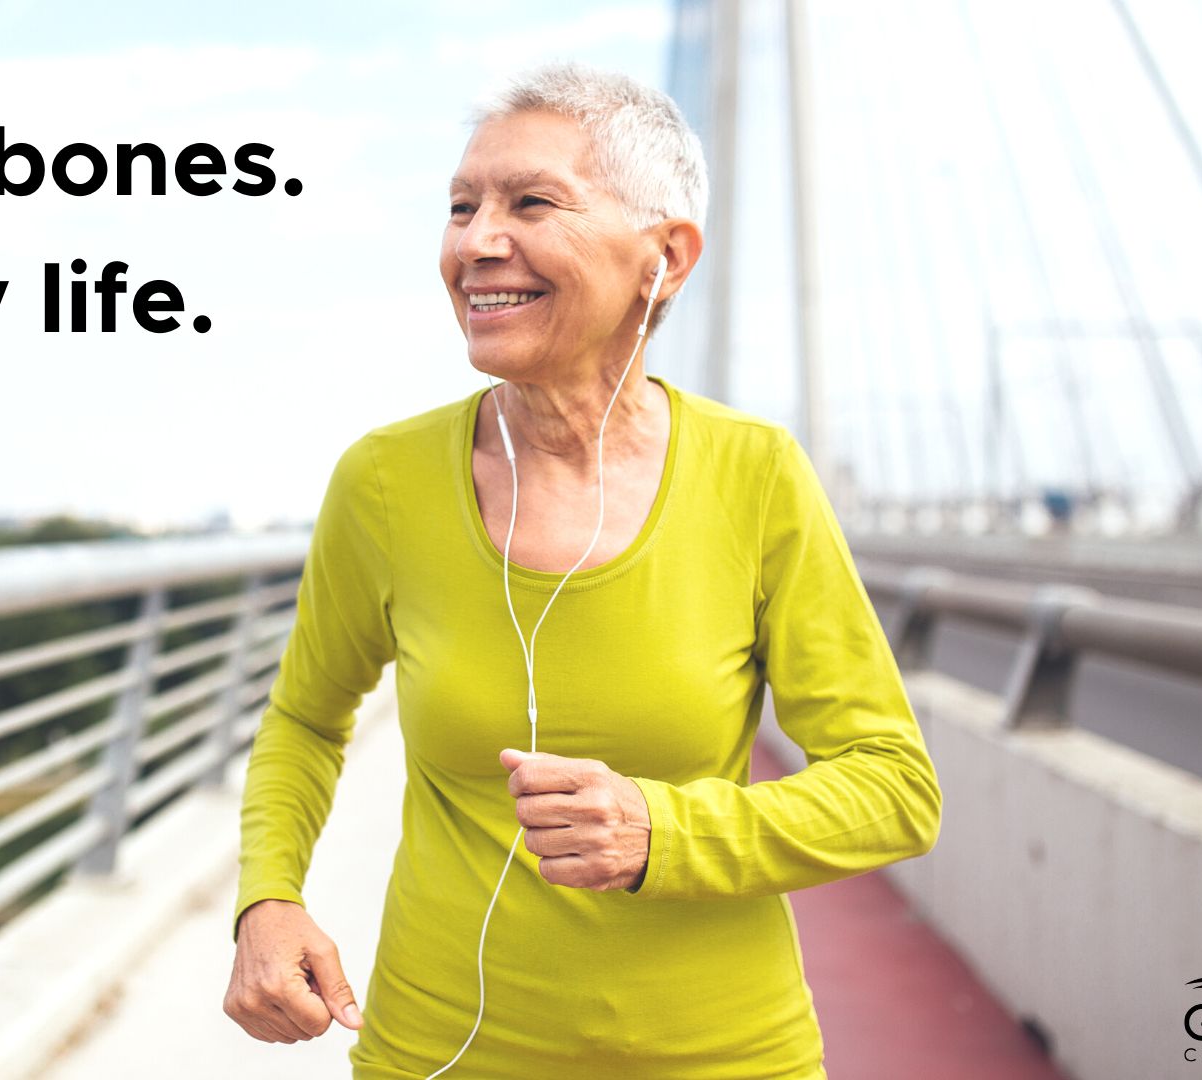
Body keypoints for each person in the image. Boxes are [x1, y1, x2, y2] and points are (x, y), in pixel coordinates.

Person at [224, 60, 942, 1079]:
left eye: (531, 203)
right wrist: (269, 898)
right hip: (439, 1055)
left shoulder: (756, 475)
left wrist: (661, 829)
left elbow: (893, 789)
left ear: (666, 256)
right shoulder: (382, 482)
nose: (476, 242)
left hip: (724, 1054)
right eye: (461, 206)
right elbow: (304, 716)